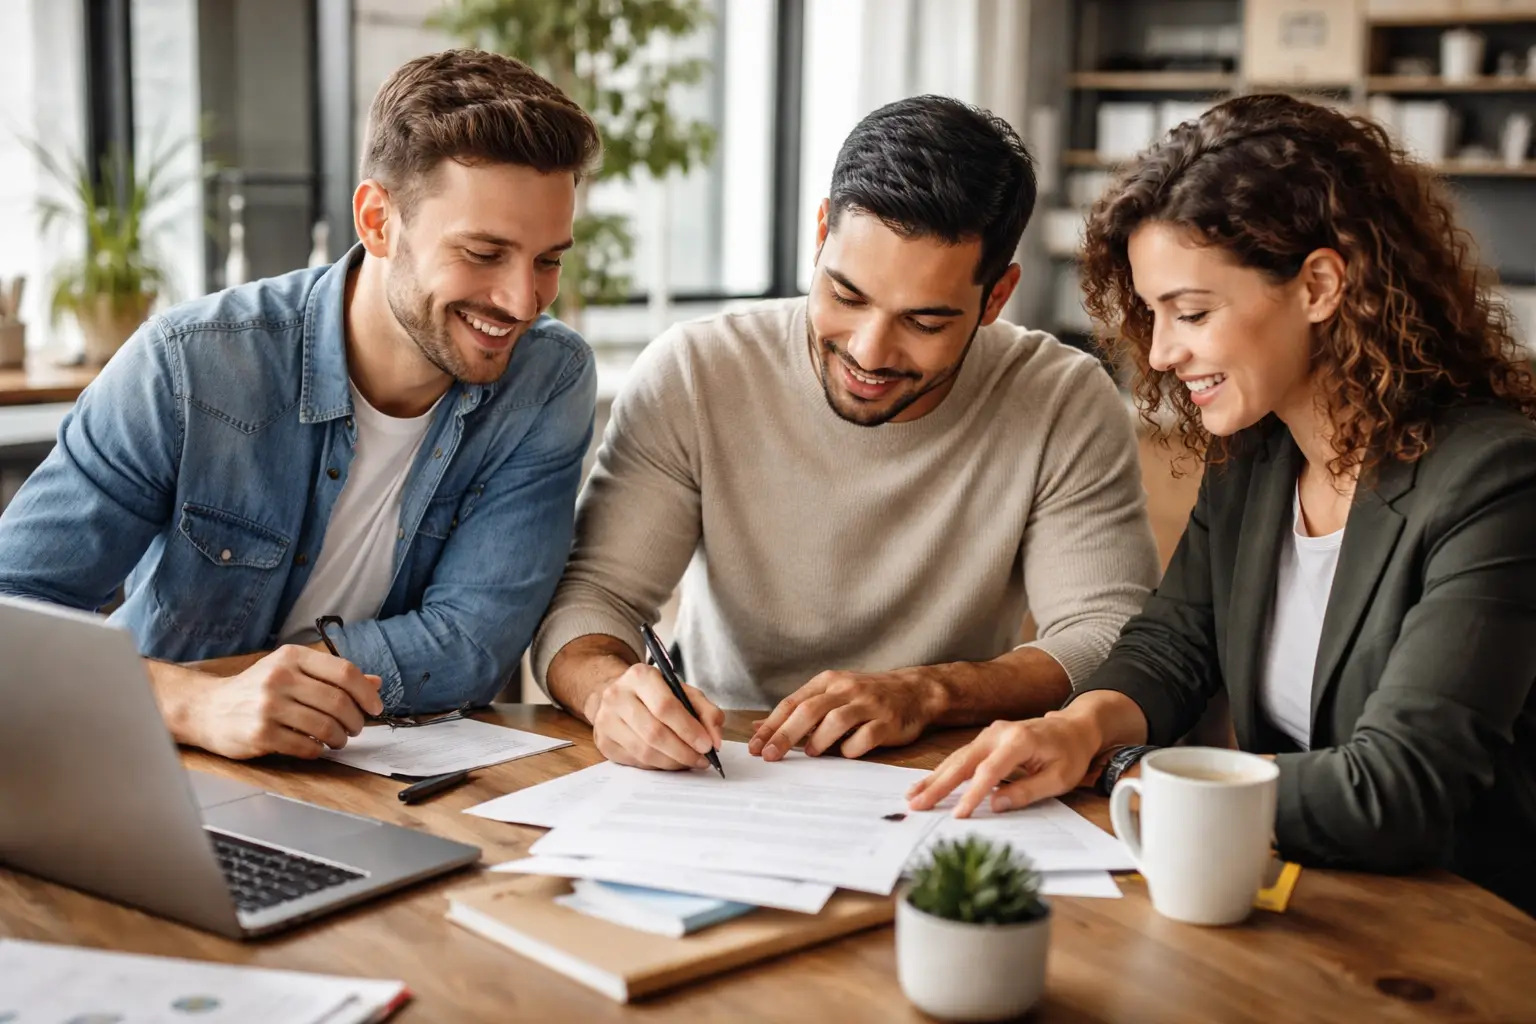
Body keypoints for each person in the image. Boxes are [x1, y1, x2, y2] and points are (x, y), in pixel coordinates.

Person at [908, 94, 1536, 916]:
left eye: (1192, 312)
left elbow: (1398, 786)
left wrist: (1132, 772)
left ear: (1318, 284)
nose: (1163, 353)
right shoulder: (1258, 453)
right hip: (1299, 898)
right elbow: (1173, 646)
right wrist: (1082, 727)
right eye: (1154, 312)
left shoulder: (1495, 479)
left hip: (1464, 930)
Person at [0, 50, 602, 761]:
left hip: (399, 779)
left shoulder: (547, 380)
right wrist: (192, 702)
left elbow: (473, 641)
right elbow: (13, 613)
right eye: (483, 253)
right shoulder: (191, 365)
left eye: (548, 261)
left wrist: (272, 684)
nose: (521, 301)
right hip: (170, 768)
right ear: (378, 221)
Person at [533, 95, 1161, 772]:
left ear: (997, 297)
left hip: (945, 770)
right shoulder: (696, 373)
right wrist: (608, 694)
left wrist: (931, 692)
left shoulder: (1060, 399)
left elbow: (1109, 637)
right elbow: (593, 598)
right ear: (822, 231)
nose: (869, 351)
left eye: (923, 322)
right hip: (724, 761)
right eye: (846, 295)